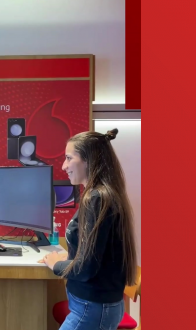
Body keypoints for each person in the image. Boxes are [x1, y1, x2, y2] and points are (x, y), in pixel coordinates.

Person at [40, 129, 138, 330]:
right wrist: (70, 256)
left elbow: (86, 269)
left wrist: (56, 264)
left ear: (88, 160)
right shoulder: (102, 196)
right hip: (94, 307)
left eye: (69, 158)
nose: (64, 166)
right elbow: (94, 256)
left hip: (91, 309)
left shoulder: (97, 199)